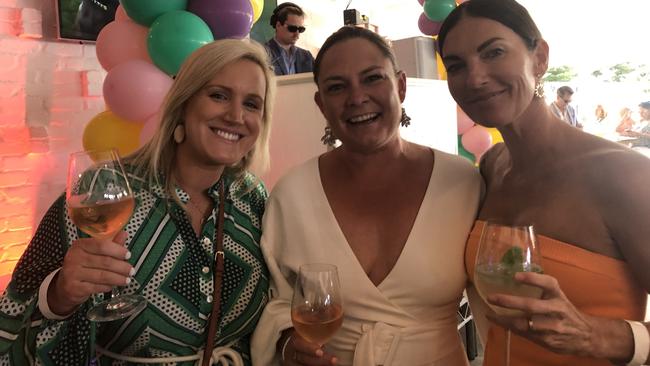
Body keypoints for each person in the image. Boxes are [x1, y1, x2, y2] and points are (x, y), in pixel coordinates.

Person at [0, 39, 276, 365]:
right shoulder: (103, 189)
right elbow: (11, 322)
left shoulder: (252, 198)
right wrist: (59, 295)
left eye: (252, 104)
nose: (235, 115)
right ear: (183, 104)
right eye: (219, 95)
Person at [251, 26, 481, 366]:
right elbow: (277, 303)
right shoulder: (292, 195)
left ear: (400, 86)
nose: (357, 97)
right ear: (321, 103)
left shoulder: (463, 184)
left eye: (372, 78)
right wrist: (288, 343)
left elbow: (501, 298)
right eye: (336, 87)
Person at [437, 0, 650, 365]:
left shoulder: (623, 176)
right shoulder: (492, 166)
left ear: (539, 58)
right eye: (456, 66)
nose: (474, 78)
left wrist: (595, 336)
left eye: (494, 52)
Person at [265, 2, 315, 76]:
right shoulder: (262, 53)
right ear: (278, 25)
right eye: (292, 28)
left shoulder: (307, 56)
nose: (297, 34)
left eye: (301, 29)